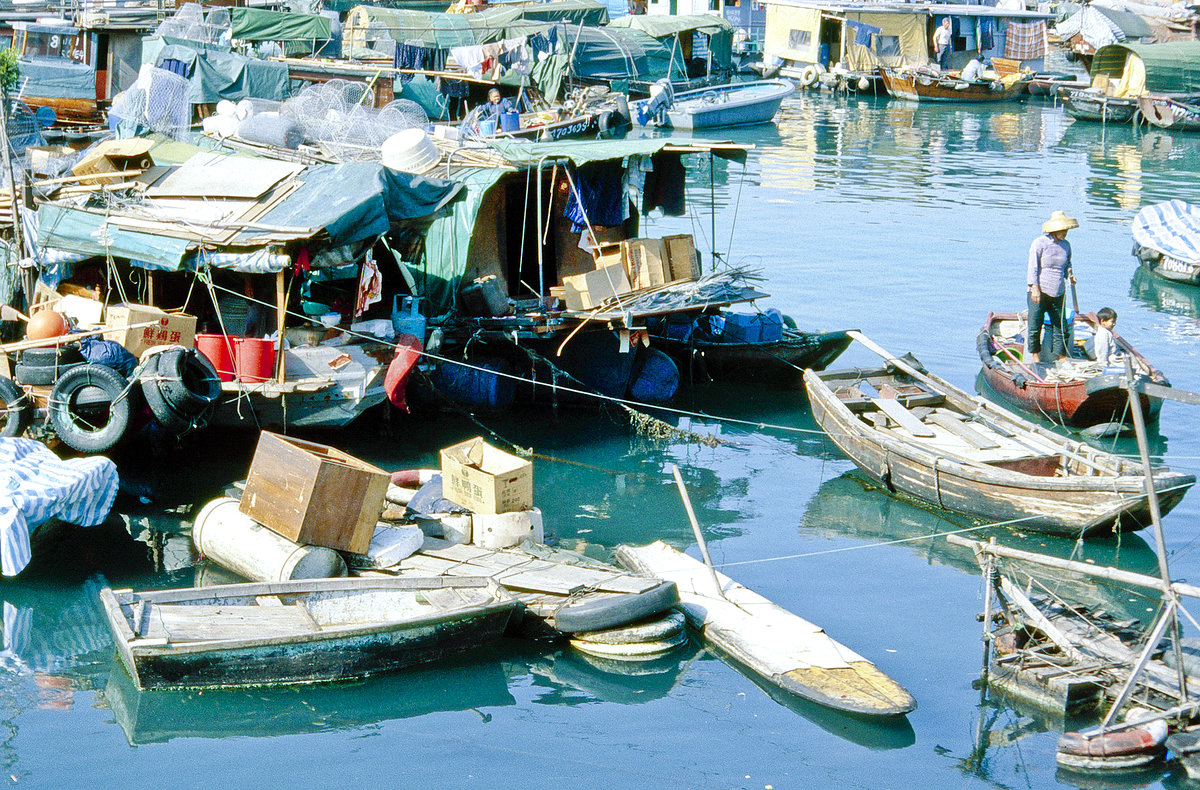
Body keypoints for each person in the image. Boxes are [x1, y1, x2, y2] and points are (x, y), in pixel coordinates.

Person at [1026, 210, 1078, 364]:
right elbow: (1033, 267)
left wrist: (1070, 276)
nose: (1065, 233)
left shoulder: (1066, 245)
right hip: (1040, 291)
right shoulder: (1040, 243)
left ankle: (1061, 355)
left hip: (1058, 291)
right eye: (1063, 230)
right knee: (1035, 323)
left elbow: (1067, 265)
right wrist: (1034, 287)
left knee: (1059, 325)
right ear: (1055, 229)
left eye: (1066, 230)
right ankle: (1035, 354)